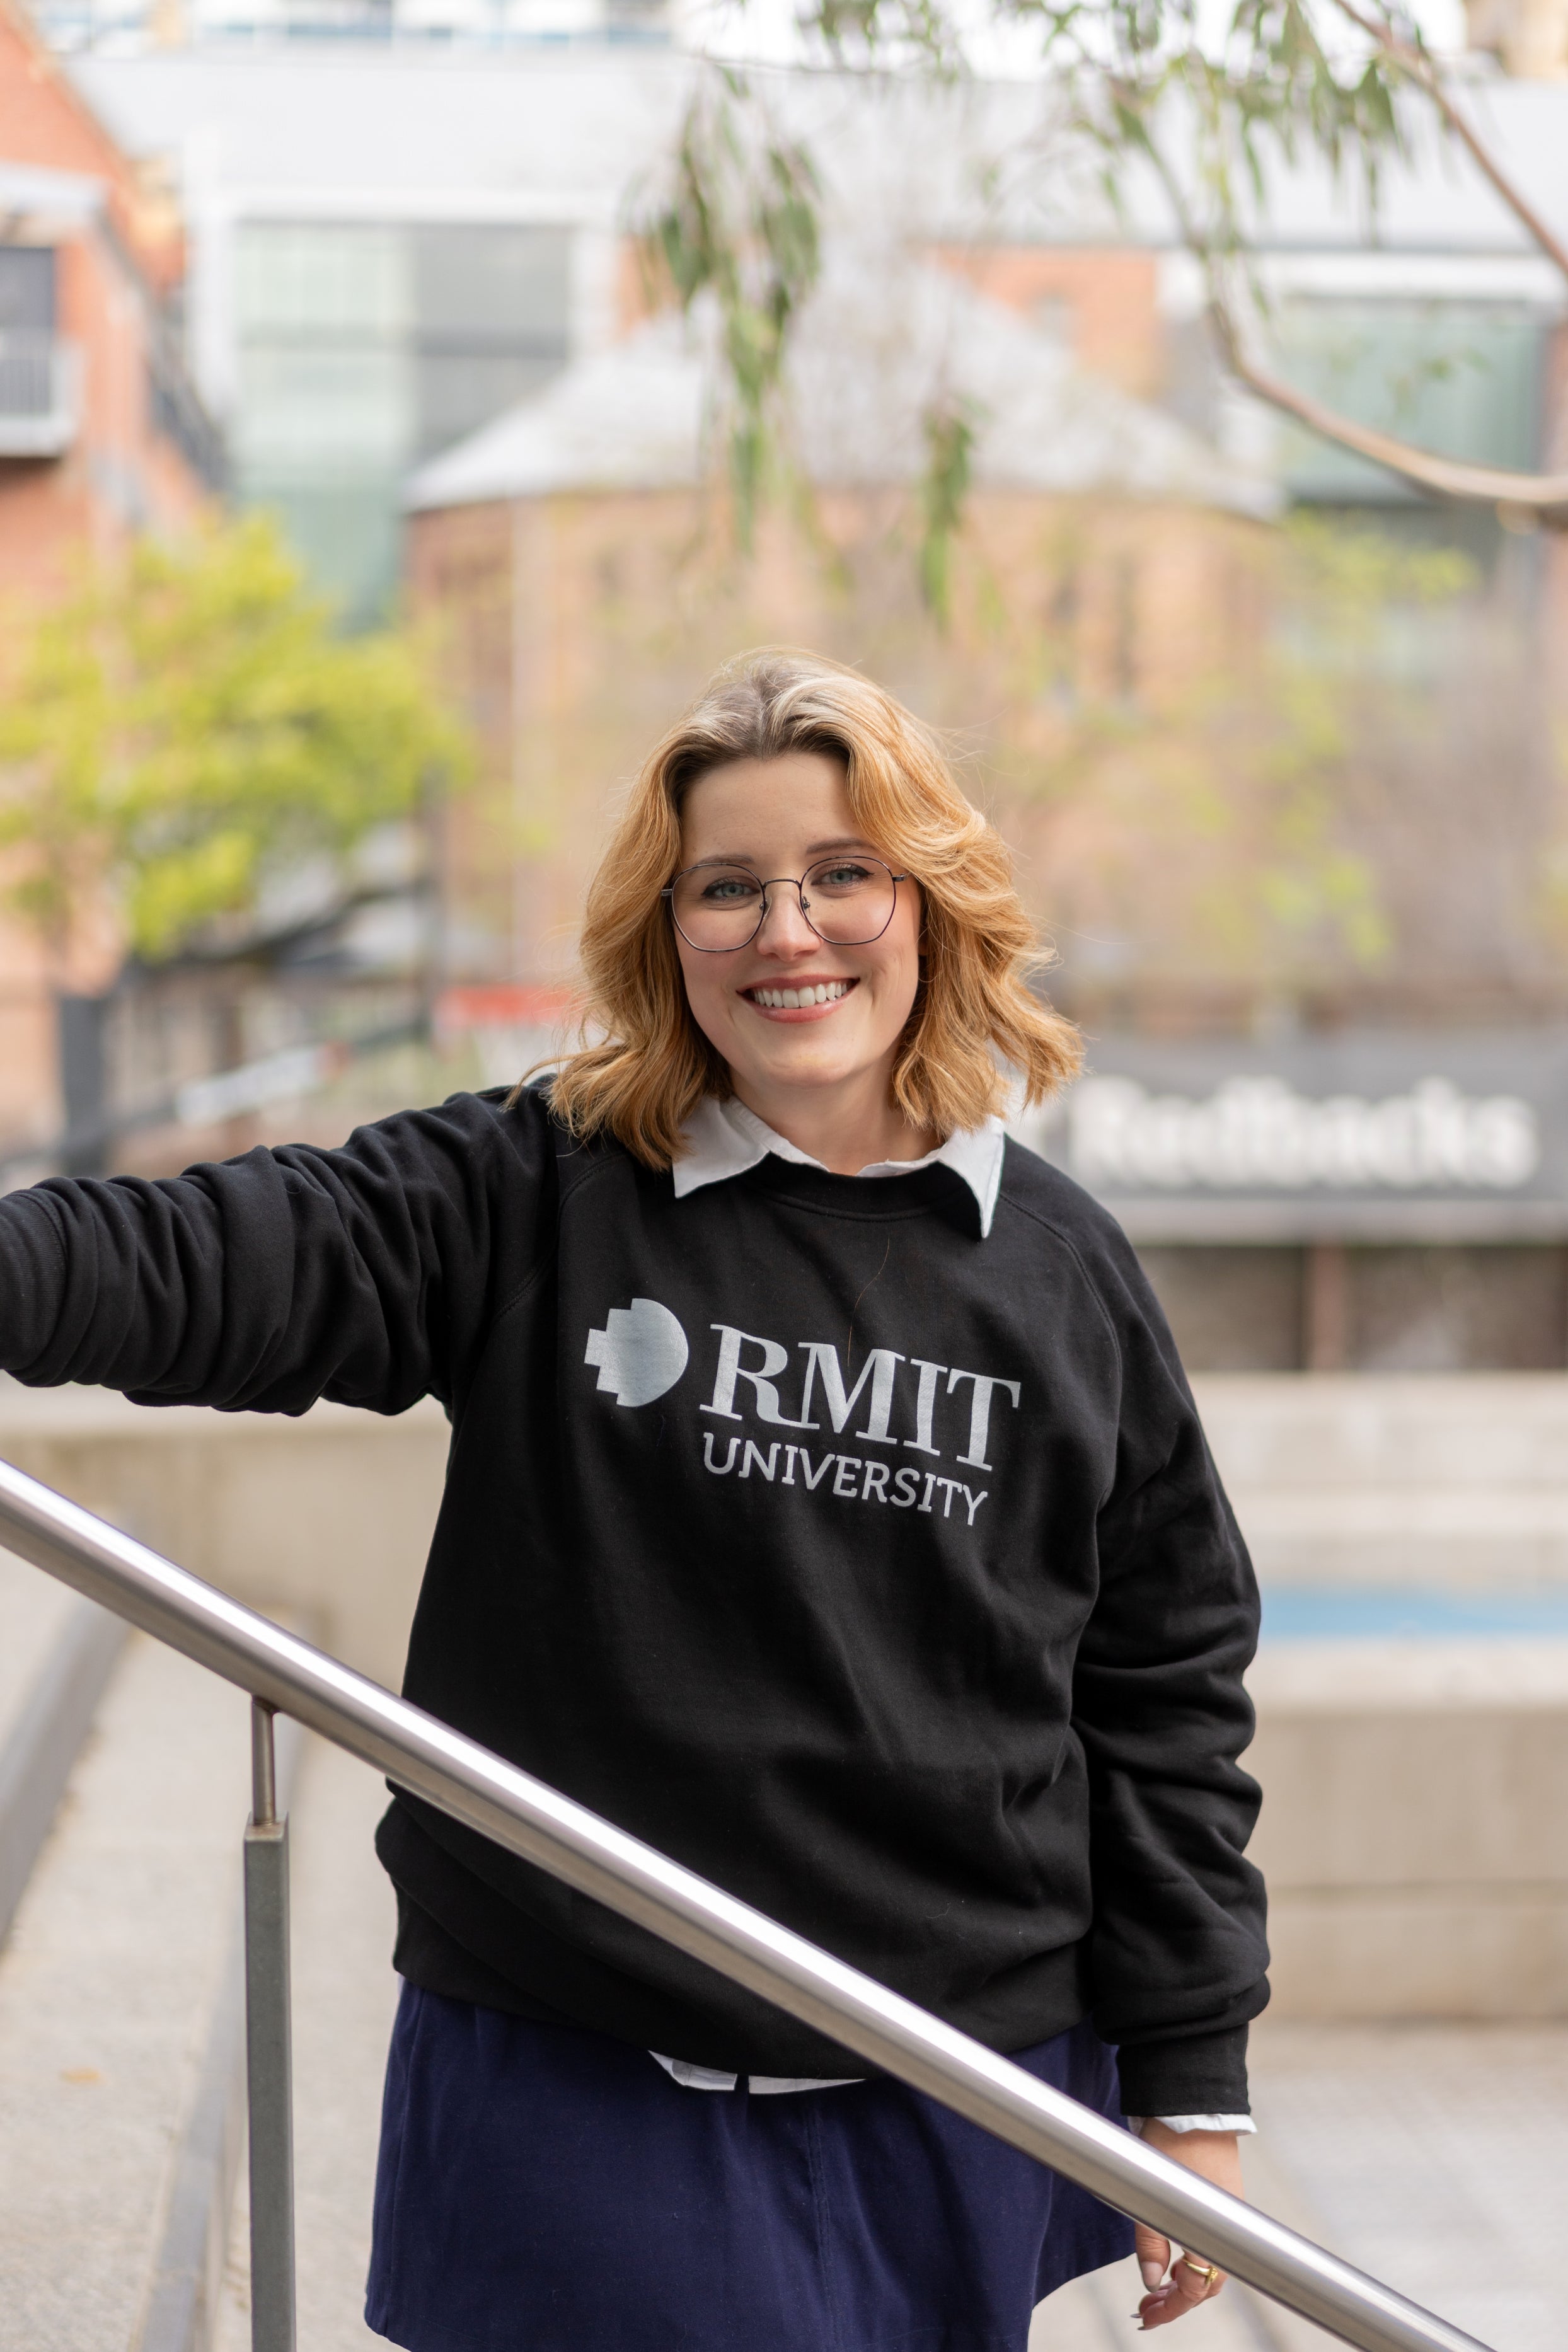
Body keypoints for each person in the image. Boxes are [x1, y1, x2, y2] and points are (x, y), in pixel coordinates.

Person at [0, 650, 1266, 2351]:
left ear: (932, 903)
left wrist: (1194, 2084)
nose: (785, 929)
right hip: (581, 2070)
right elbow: (219, 1257)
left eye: (841, 875)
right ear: (665, 932)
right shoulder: (541, 1185)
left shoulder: (1058, 1273)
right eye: (725, 888)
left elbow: (1164, 1686)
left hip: (946, 2088)